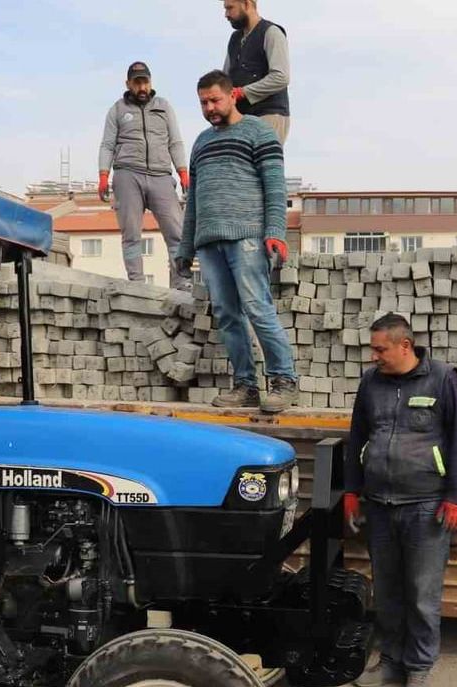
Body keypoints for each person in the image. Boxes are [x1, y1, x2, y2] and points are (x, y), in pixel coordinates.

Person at [341, 313, 457, 687]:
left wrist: (455, 497)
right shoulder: (371, 383)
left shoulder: (442, 378)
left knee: (421, 593)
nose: (374, 355)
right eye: (372, 348)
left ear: (405, 345)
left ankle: (419, 667)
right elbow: (358, 435)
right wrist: (352, 491)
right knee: (387, 590)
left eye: (380, 349)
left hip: (426, 505)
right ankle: (391, 660)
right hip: (380, 504)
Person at [173, 70, 298, 413]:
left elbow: (275, 188)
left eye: (215, 100)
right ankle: (246, 385)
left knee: (257, 307)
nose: (210, 107)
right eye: (203, 102)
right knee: (228, 315)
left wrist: (276, 232)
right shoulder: (200, 143)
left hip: (248, 236)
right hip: (209, 243)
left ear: (232, 96)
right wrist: (186, 248)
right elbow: (194, 199)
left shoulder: (259, 132)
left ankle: (283, 380)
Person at [99, 61, 192, 290]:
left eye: (145, 82)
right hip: (127, 174)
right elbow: (107, 145)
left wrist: (183, 172)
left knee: (176, 233)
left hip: (161, 175)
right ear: (128, 84)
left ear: (151, 82)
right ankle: (137, 284)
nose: (142, 87)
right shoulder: (117, 110)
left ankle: (182, 283)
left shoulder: (164, 106)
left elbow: (175, 141)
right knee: (131, 233)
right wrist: (103, 174)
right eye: (137, 82)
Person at [221, 0, 291, 144]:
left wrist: (243, 92)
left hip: (269, 114)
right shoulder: (235, 39)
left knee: (265, 163)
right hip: (241, 117)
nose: (226, 14)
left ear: (246, 4)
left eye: (230, 8)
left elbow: (281, 77)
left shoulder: (272, 33)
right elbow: (225, 79)